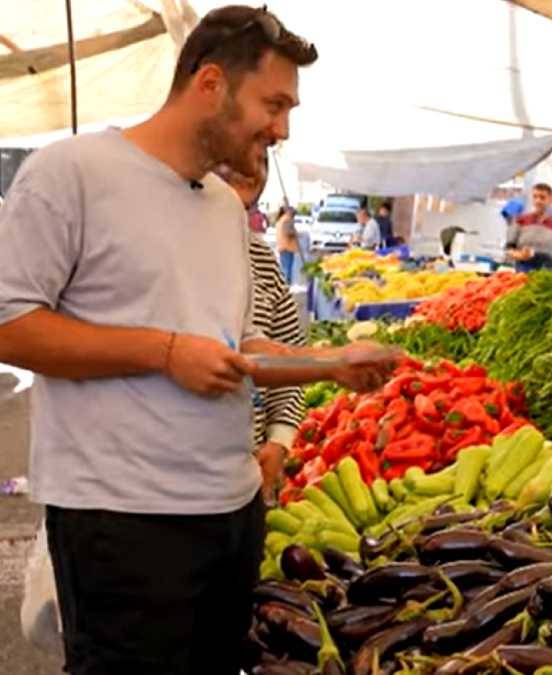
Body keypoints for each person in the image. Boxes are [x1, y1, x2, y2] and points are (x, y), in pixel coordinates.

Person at [0, 7, 396, 673]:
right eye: (273, 103)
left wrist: (331, 363)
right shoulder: (72, 172)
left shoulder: (221, 207)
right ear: (209, 83)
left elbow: (236, 345)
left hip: (232, 513)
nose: (283, 128)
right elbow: (11, 324)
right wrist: (162, 351)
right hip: (123, 524)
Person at [216, 160, 306, 505]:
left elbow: (290, 359)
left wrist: (279, 440)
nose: (249, 164)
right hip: (167, 492)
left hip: (248, 485)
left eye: (262, 153)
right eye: (236, 149)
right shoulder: (162, 254)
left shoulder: (263, 260)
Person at [507, 183, 552, 271]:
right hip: (523, 271)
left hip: (548, 273)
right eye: (535, 197)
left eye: (542, 197)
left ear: (551, 200)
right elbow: (509, 249)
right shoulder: (520, 220)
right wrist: (520, 255)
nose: (538, 201)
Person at [274, 204, 303, 284]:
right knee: (287, 268)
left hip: (283, 246)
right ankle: (286, 284)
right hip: (287, 247)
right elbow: (287, 232)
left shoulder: (281, 219)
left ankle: (285, 283)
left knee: (284, 267)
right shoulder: (287, 220)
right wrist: (296, 234)